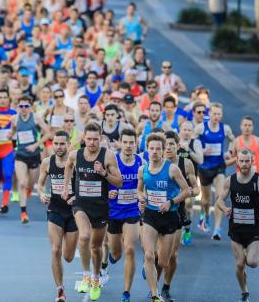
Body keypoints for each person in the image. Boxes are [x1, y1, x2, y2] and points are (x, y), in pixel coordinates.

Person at [62, 123, 123, 301]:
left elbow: (119, 182)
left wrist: (103, 173)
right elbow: (68, 166)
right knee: (84, 236)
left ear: (101, 138)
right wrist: (66, 188)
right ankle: (86, 276)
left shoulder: (108, 156)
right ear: (84, 139)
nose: (92, 142)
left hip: (101, 208)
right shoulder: (76, 155)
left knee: (96, 248)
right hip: (81, 204)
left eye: (95, 139)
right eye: (88, 139)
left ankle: (96, 278)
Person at [216, 149, 259, 302]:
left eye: (247, 161)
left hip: (254, 229)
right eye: (241, 161)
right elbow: (219, 200)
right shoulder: (230, 180)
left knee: (252, 262)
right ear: (237, 161)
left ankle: (246, 266)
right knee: (239, 263)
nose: (244, 164)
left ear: (252, 161)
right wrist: (224, 209)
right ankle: (244, 293)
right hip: (236, 228)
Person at [136, 132, 191, 302]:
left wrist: (171, 201)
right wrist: (141, 198)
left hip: (170, 216)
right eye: (151, 148)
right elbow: (139, 189)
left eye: (158, 149)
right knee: (149, 255)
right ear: (147, 150)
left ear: (162, 150)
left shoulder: (172, 169)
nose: (154, 152)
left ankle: (152, 269)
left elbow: (187, 190)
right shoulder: (142, 170)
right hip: (151, 215)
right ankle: (154, 295)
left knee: (163, 262)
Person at [37, 130, 78, 302]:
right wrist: (41, 194)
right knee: (55, 249)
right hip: (54, 209)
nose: (59, 147)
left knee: (68, 257)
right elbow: (39, 185)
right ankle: (60, 289)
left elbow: (86, 185)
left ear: (68, 144)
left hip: (74, 212)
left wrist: (76, 197)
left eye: (62, 144)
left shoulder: (76, 163)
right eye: (56, 143)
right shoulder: (47, 162)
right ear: (52, 144)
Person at [159, 131, 200, 302]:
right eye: (165, 145)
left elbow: (196, 188)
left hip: (176, 212)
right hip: (156, 212)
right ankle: (153, 281)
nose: (168, 148)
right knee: (155, 254)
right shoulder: (155, 162)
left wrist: (188, 192)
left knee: (172, 255)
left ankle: (165, 287)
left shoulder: (186, 163)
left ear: (177, 146)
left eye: (171, 145)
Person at [106, 129, 143, 302]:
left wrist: (142, 195)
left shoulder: (141, 161)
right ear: (120, 142)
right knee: (117, 253)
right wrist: (108, 193)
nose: (128, 146)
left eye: (131, 142)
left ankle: (126, 292)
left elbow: (146, 184)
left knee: (129, 249)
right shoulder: (112, 160)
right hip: (113, 212)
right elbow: (101, 181)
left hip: (132, 211)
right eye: (125, 142)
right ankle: (112, 255)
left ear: (136, 143)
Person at [195, 102, 235, 239]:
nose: (216, 116)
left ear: (221, 115)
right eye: (214, 113)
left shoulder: (226, 128)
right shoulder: (200, 128)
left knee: (219, 196)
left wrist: (230, 151)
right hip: (204, 168)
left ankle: (217, 229)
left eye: (219, 114)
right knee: (206, 200)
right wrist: (201, 150)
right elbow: (191, 143)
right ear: (209, 114)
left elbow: (234, 141)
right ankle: (205, 214)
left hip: (219, 166)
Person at [12, 95, 49, 223]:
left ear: (30, 107)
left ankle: (28, 189)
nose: (23, 109)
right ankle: (23, 213)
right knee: (21, 183)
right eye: (21, 106)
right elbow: (12, 132)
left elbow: (48, 132)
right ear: (18, 107)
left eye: (26, 106)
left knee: (30, 184)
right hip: (20, 155)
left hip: (34, 155)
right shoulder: (15, 119)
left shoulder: (36, 118)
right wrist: (9, 135)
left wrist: (35, 145)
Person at [178, 120, 204, 246]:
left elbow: (200, 160)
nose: (187, 132)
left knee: (188, 207)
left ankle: (187, 230)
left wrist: (188, 150)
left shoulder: (196, 143)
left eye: (189, 130)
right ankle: (176, 230)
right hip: (175, 181)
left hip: (191, 181)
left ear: (192, 132)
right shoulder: (175, 142)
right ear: (180, 130)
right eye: (184, 129)